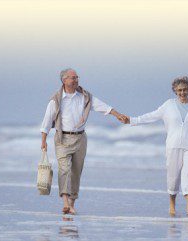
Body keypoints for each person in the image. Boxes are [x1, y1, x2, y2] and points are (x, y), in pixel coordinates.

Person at [40, 68, 126, 215]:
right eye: (72, 78)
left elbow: (102, 106)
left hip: (80, 138)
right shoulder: (55, 100)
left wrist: (117, 115)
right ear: (64, 80)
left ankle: (72, 203)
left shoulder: (85, 97)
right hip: (62, 138)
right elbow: (46, 121)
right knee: (64, 169)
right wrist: (44, 141)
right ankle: (65, 201)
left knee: (76, 172)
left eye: (77, 77)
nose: (76, 80)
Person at [123, 76, 188, 216]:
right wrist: (132, 120)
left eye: (185, 89)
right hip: (173, 146)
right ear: (175, 90)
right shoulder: (168, 105)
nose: (183, 92)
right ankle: (172, 206)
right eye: (180, 90)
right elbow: (151, 116)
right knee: (173, 177)